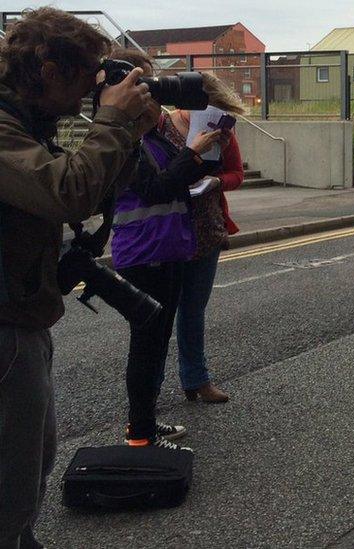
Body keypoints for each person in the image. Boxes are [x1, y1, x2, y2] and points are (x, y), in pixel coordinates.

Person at [0, 8, 152, 547]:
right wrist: (112, 122)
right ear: (47, 67)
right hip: (5, 324)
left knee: (31, 465)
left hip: (22, 315)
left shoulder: (24, 120)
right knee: (12, 483)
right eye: (85, 73)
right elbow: (65, 192)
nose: (93, 86)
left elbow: (86, 190)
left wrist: (129, 132)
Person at [107, 49, 227, 451]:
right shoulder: (123, 140)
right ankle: (140, 432)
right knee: (147, 345)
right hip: (146, 253)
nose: (152, 95)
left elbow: (172, 180)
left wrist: (200, 152)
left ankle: (144, 424)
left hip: (166, 248)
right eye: (143, 85)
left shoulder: (150, 135)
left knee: (154, 345)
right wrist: (193, 156)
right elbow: (156, 188)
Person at [170, 74, 246, 404]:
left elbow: (236, 174)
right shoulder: (161, 126)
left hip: (207, 227)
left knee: (193, 309)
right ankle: (148, 391)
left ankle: (196, 379)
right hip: (168, 229)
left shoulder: (221, 128)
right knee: (159, 312)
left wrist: (216, 181)